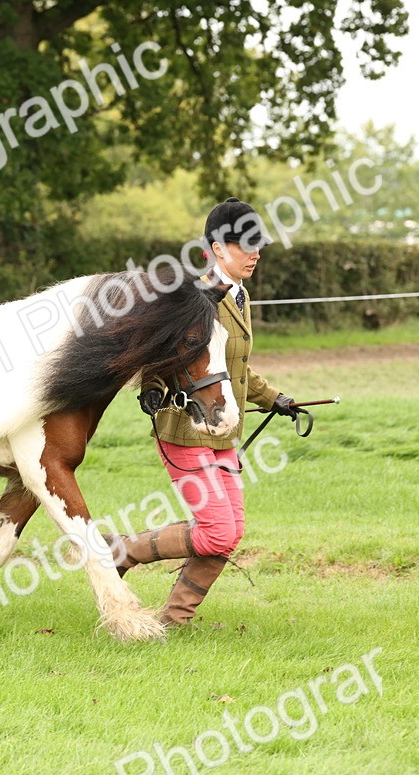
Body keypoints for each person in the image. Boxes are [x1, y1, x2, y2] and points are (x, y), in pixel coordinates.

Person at [108, 197, 297, 626]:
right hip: (186, 429)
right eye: (244, 245)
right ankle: (120, 551)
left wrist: (276, 399)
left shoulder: (239, 296)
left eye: (257, 244)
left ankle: (174, 620)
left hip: (224, 429)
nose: (255, 253)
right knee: (217, 531)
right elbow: (159, 351)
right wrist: (153, 387)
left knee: (230, 533)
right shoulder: (190, 295)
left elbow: (235, 368)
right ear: (215, 248)